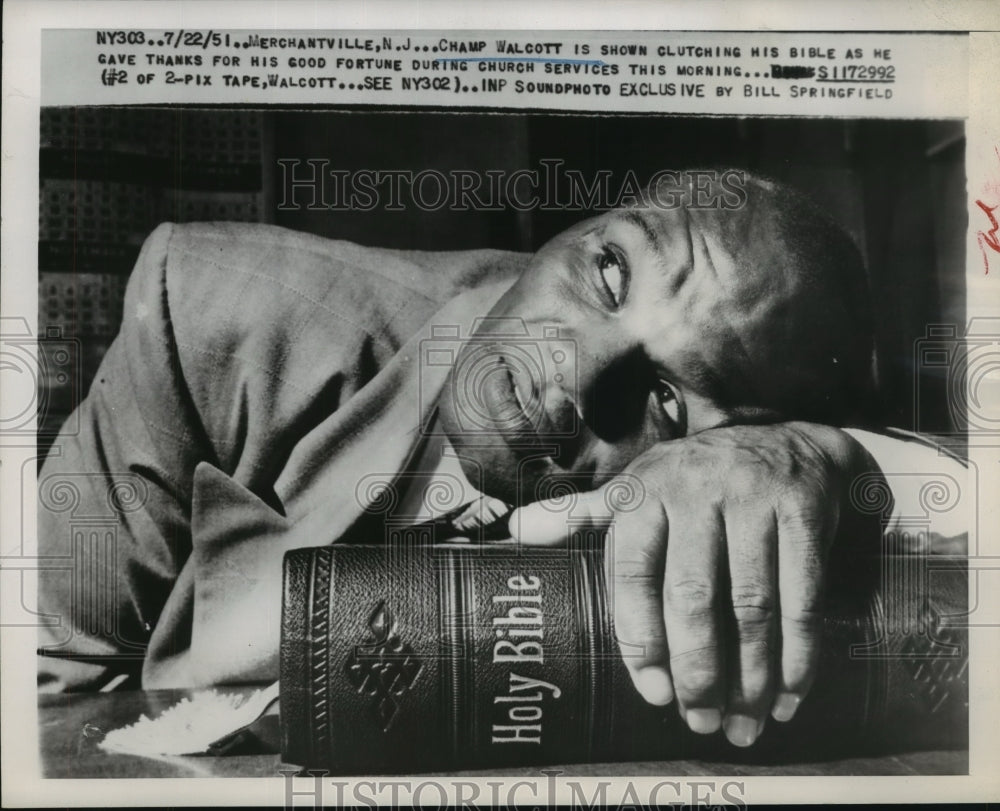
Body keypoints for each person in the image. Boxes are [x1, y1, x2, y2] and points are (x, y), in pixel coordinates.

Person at [36, 171, 966, 750]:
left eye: (671, 399)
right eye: (608, 274)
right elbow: (43, 697)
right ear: (573, 231)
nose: (577, 370)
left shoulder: (766, 456)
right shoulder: (205, 308)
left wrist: (822, 453)